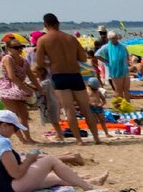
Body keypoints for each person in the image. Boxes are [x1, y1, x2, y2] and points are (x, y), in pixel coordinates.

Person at [0, 110, 107, 192]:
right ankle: (87, 187)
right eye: (15, 128)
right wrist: (29, 159)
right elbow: (16, 173)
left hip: (3, 186)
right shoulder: (2, 142)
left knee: (53, 178)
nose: (16, 132)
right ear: (4, 126)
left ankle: (91, 182)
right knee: (51, 160)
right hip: (8, 187)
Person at [35, 13, 103, 144]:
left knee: (69, 109)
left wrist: (52, 63)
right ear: (58, 23)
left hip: (59, 75)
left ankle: (79, 140)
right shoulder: (71, 38)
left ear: (45, 25)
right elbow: (83, 58)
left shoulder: (43, 40)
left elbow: (39, 63)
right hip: (75, 74)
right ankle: (96, 138)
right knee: (86, 108)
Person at [0, 35, 38, 144]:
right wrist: (25, 88)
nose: (20, 49)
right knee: (12, 116)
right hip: (7, 88)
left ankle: (28, 138)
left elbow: (31, 75)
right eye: (16, 47)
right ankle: (22, 139)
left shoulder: (24, 61)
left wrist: (39, 87)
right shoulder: (7, 58)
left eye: (21, 47)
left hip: (18, 88)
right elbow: (11, 76)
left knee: (24, 115)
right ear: (9, 49)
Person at [95, 30, 130, 101]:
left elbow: (127, 55)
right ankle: (120, 105)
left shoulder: (122, 46)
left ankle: (128, 104)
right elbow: (97, 54)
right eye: (113, 38)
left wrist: (127, 62)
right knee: (118, 90)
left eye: (115, 38)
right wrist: (106, 61)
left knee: (126, 89)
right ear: (109, 39)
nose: (115, 39)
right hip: (114, 70)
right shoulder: (106, 47)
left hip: (124, 69)